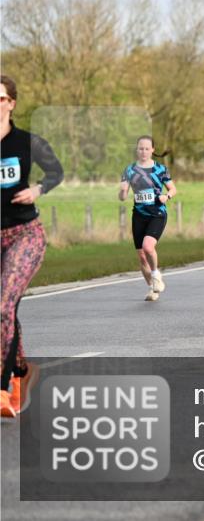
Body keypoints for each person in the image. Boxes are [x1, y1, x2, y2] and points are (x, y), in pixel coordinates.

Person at [1, 75, 63, 419]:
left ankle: (4, 386)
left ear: (11, 103)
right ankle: (24, 371)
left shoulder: (27, 142)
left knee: (1, 306)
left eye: (0, 99)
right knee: (6, 310)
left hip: (24, 233)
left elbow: (56, 172)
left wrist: (38, 190)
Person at [118, 136, 177, 301]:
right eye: (140, 148)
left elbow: (173, 189)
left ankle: (156, 274)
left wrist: (167, 196)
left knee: (148, 247)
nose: (143, 151)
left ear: (152, 150)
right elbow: (123, 195)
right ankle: (153, 288)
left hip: (157, 213)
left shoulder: (160, 169)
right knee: (141, 256)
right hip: (139, 215)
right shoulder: (129, 170)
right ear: (136, 150)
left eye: (146, 148)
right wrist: (123, 192)